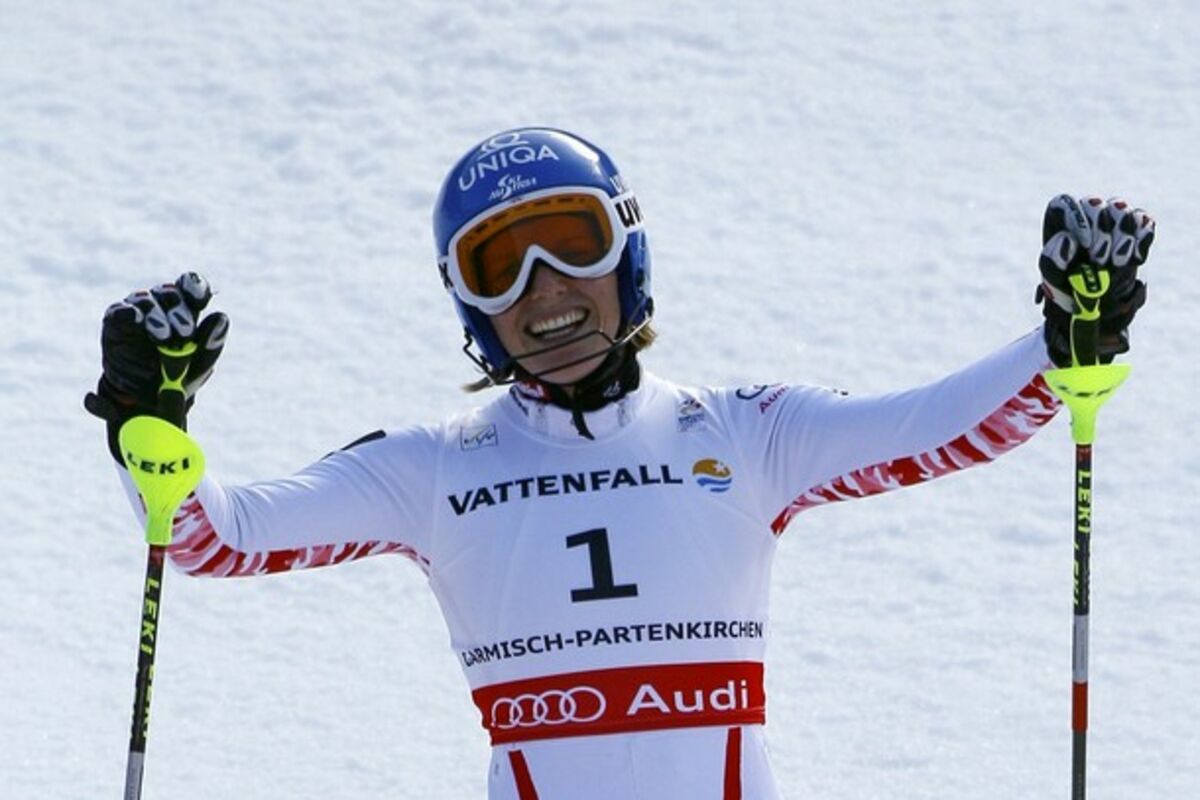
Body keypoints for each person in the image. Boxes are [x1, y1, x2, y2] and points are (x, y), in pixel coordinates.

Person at [86, 127, 1154, 799]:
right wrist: (148, 423)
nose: (545, 287)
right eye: (500, 264)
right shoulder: (435, 468)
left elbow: (938, 425)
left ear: (628, 252)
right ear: (469, 305)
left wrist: (1068, 339)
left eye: (573, 242)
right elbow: (214, 535)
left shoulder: (741, 433)